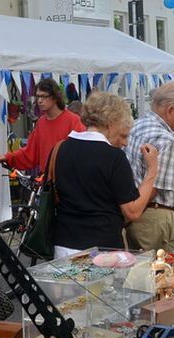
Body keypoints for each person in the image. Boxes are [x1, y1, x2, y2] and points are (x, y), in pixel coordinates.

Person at [52, 92, 158, 256]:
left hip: (63, 244)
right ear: (111, 124)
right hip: (102, 249)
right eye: (123, 134)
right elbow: (133, 211)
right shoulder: (114, 157)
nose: (125, 142)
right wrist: (152, 170)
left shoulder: (62, 148)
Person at [124, 82, 174, 252]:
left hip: (137, 213)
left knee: (141, 270)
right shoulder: (166, 139)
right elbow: (156, 187)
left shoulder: (137, 125)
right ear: (170, 110)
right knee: (171, 272)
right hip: (156, 217)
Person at [0, 77, 84, 173]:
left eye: (44, 96)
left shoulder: (74, 121)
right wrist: (7, 157)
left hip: (68, 182)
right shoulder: (41, 123)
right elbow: (30, 153)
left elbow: (82, 155)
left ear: (55, 97)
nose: (40, 101)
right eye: (38, 96)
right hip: (46, 182)